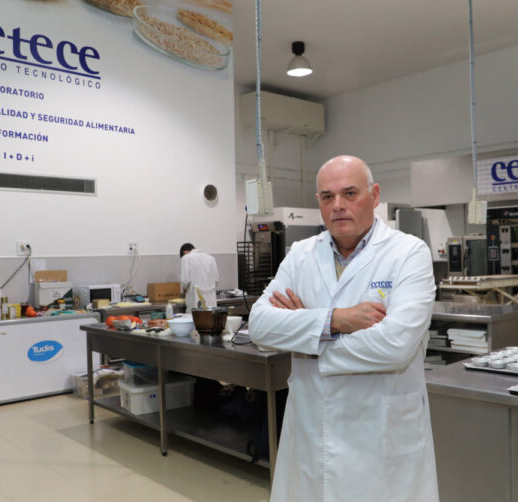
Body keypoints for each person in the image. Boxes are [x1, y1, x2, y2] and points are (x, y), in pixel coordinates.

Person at [248, 155, 438, 502]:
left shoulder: (409, 253)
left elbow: (395, 346)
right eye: (327, 197)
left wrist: (305, 338)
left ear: (374, 195)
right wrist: (336, 320)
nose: (338, 206)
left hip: (380, 433)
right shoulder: (301, 254)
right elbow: (259, 326)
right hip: (311, 429)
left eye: (350, 193)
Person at [179, 243, 219, 309]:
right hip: (211, 299)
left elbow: (185, 281)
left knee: (196, 317)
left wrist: (184, 288)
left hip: (195, 298)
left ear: (185, 252)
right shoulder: (211, 258)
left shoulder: (186, 258)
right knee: (210, 317)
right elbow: (216, 280)